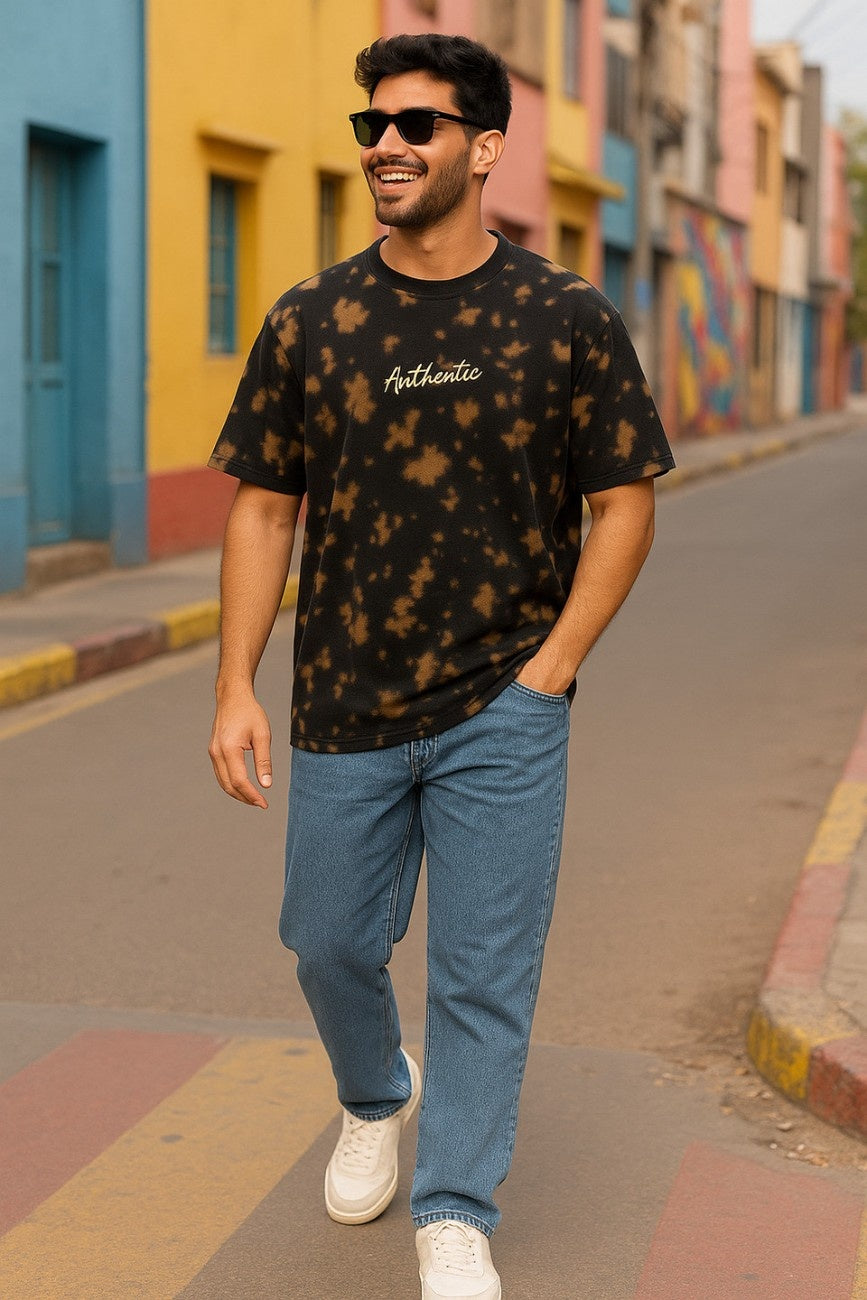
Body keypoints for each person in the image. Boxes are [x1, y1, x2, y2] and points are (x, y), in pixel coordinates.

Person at [208, 32, 674, 1300]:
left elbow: (624, 503)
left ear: (485, 147)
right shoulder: (313, 318)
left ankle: (455, 1209)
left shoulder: (564, 316)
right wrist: (236, 681)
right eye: (373, 125)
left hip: (504, 707)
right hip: (344, 702)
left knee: (483, 976)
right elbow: (264, 508)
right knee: (325, 943)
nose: (388, 144)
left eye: (418, 124)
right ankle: (376, 1093)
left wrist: (552, 669)